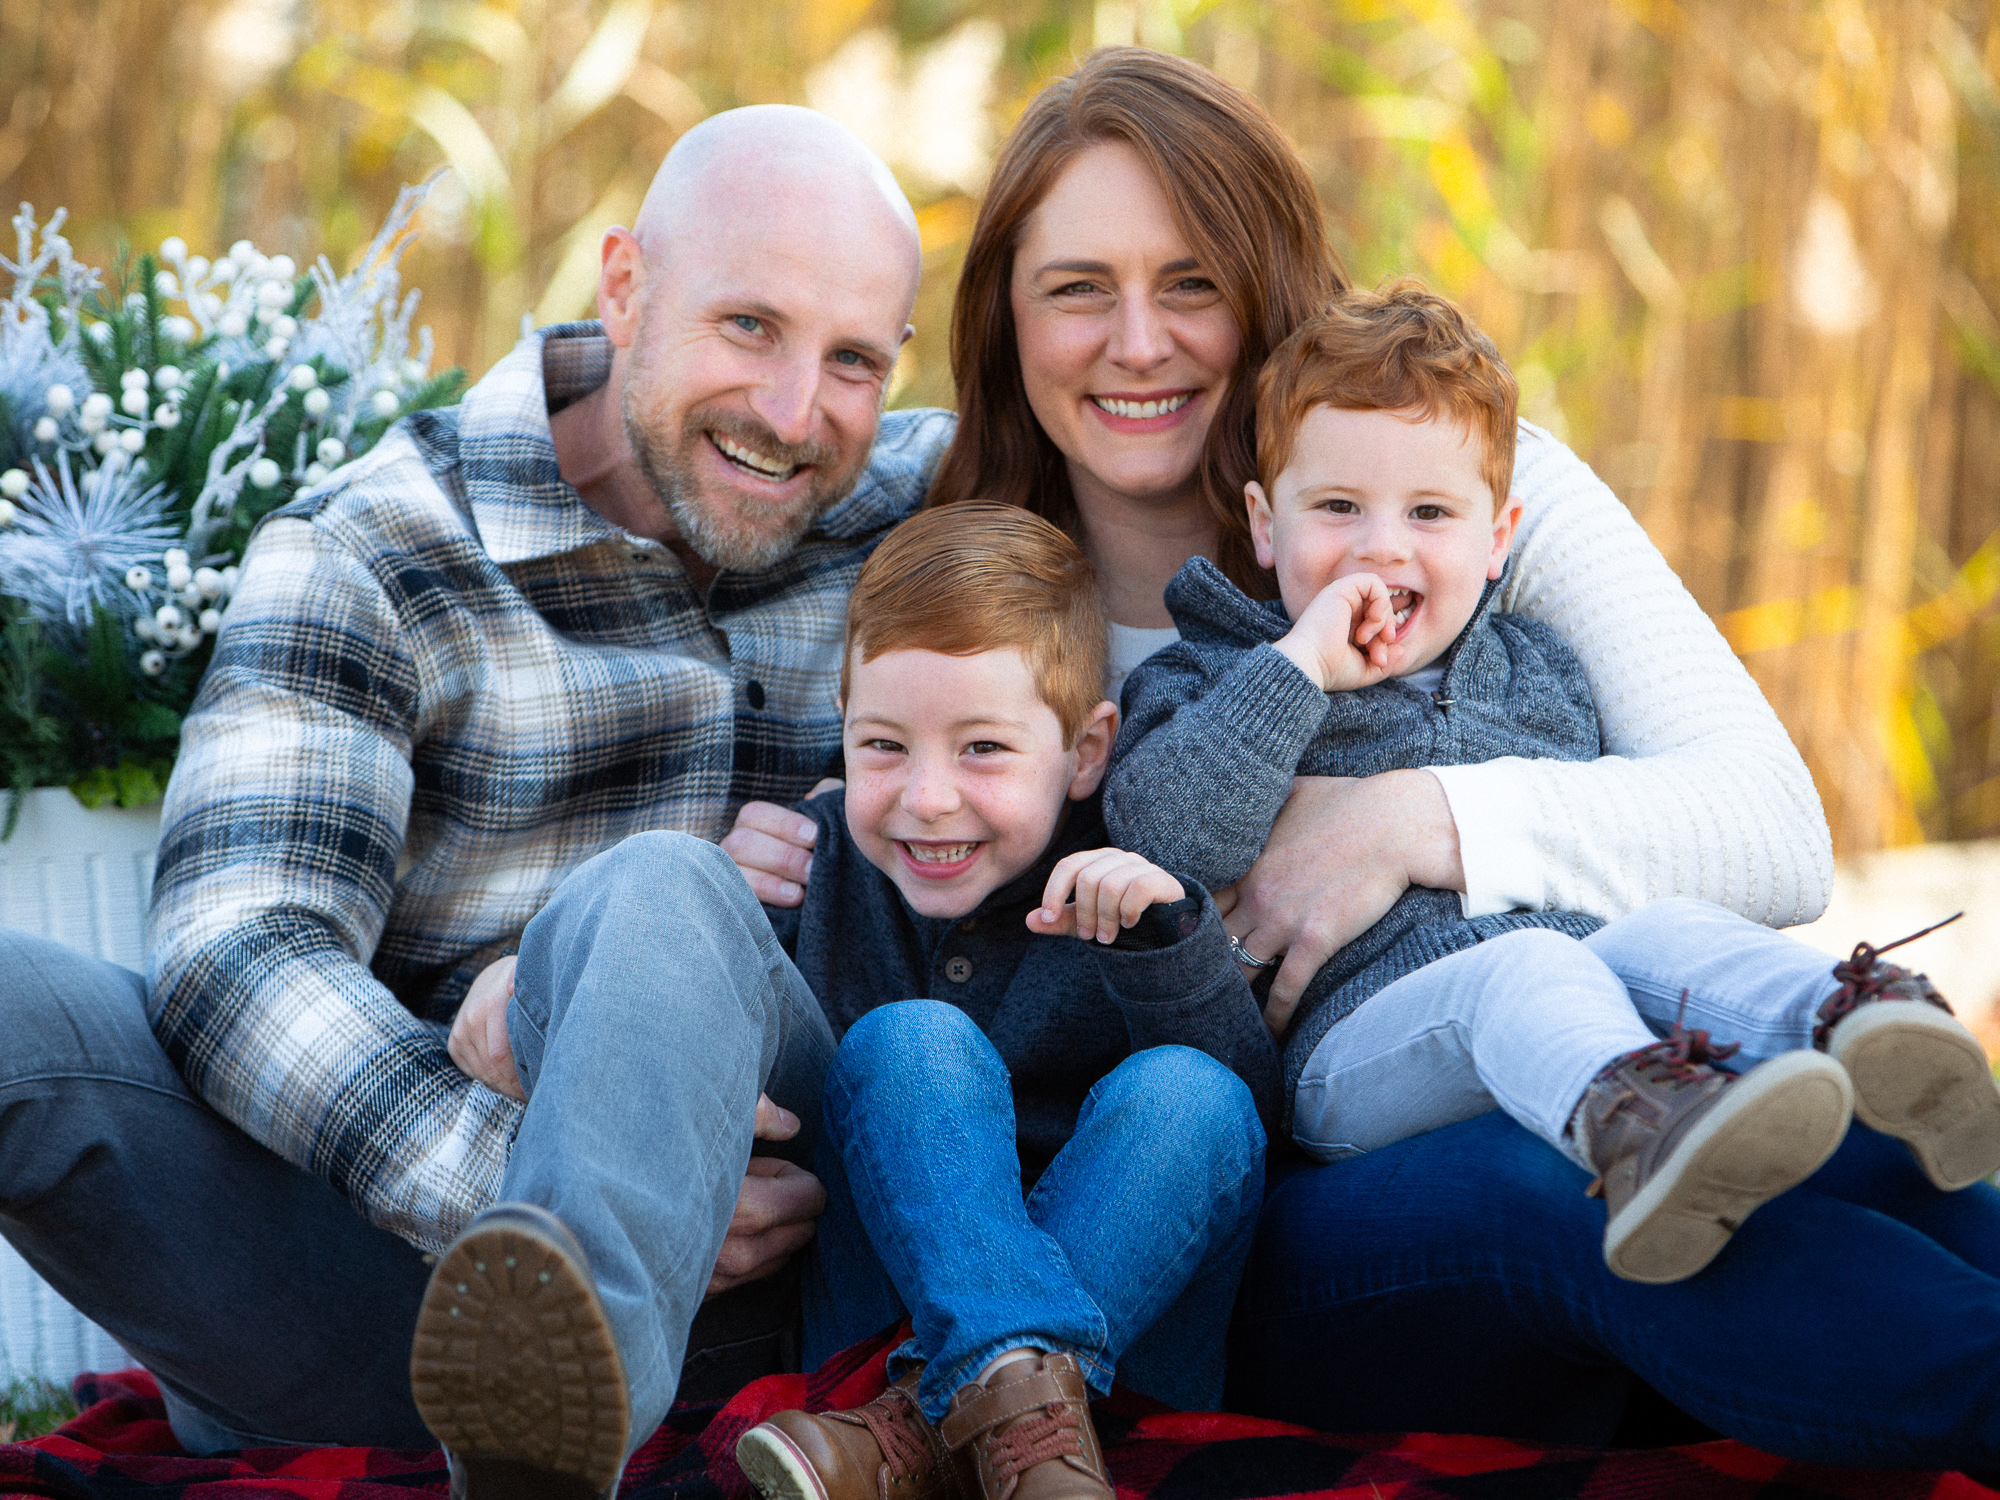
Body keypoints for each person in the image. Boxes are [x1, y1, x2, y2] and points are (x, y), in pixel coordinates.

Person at [733, 47, 2000, 1473]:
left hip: (1535, 1036)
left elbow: (1773, 830)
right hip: (1249, 1205)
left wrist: (1409, 818)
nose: (1137, 342)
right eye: (1076, 288)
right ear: (1007, 321)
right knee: (1563, 1186)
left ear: (1267, 287)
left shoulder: (1448, 495)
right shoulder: (927, 543)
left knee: (1874, 1140)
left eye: (1193, 282)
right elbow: (682, 480)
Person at [0, 105, 956, 1500]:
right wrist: (550, 1175)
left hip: (784, 1282)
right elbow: (237, 953)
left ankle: (541, 1463)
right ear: (624, 284)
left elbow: (1211, 455)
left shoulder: (918, 516)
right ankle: (537, 1401)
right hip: (391, 1279)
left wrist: (1393, 794)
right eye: (749, 326)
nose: (797, 412)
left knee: (660, 884)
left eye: (855, 360)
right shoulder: (378, 548)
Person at [1107, 281, 2000, 1284]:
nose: (1381, 544)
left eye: (1429, 512)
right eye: (1337, 508)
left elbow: (1619, 855)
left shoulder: (1536, 668)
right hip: (1356, 1056)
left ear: (1497, 540)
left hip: (1566, 1005)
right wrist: (1296, 667)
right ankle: (1644, 1127)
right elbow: (1165, 835)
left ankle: (1868, 1030)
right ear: (1265, 526)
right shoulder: (1210, 672)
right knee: (1523, 968)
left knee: (1669, 931)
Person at [726, 502, 1271, 1500]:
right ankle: (1006, 1417)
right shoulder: (816, 870)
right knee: (910, 1044)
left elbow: (1241, 1134)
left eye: (982, 749)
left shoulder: (1125, 877)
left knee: (1188, 1095)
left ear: (1086, 750)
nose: (927, 797)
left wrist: (1164, 944)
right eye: (882, 746)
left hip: (1117, 1382)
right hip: (872, 1316)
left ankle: (918, 1428)